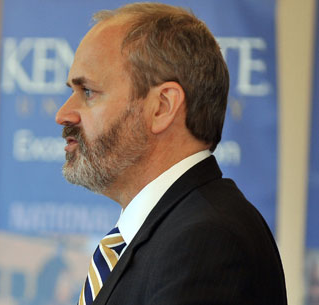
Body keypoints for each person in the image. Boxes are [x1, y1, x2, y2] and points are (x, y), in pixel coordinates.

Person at [57, 3, 286, 305]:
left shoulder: (206, 240)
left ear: (162, 107)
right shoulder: (174, 228)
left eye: (87, 92)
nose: (64, 114)